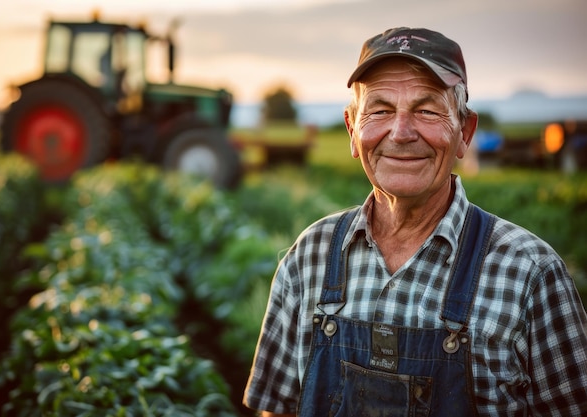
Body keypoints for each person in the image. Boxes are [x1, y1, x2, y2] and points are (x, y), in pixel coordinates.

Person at [243, 27, 587, 417]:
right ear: (353, 131)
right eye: (380, 110)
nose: (402, 133)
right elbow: (277, 410)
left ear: (464, 132)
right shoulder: (310, 255)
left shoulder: (531, 273)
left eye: (426, 110)